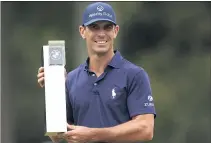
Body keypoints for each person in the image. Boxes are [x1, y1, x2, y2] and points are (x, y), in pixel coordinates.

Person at [37, 2, 156, 143]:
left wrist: (93, 135)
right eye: (94, 27)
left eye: (107, 27)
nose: (101, 33)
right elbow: (56, 136)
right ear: (82, 31)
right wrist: (55, 90)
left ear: (115, 31)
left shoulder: (134, 75)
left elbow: (145, 129)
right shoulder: (71, 79)